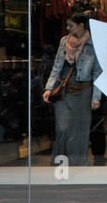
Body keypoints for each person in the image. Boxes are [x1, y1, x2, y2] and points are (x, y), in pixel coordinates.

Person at [43, 14, 102, 167]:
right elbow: (57, 66)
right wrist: (49, 88)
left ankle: (79, 163)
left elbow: (97, 72)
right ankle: (59, 162)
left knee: (80, 130)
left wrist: (96, 97)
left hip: (84, 91)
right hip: (64, 91)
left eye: (71, 25)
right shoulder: (64, 41)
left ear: (82, 25)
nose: (68, 28)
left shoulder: (94, 43)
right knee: (62, 128)